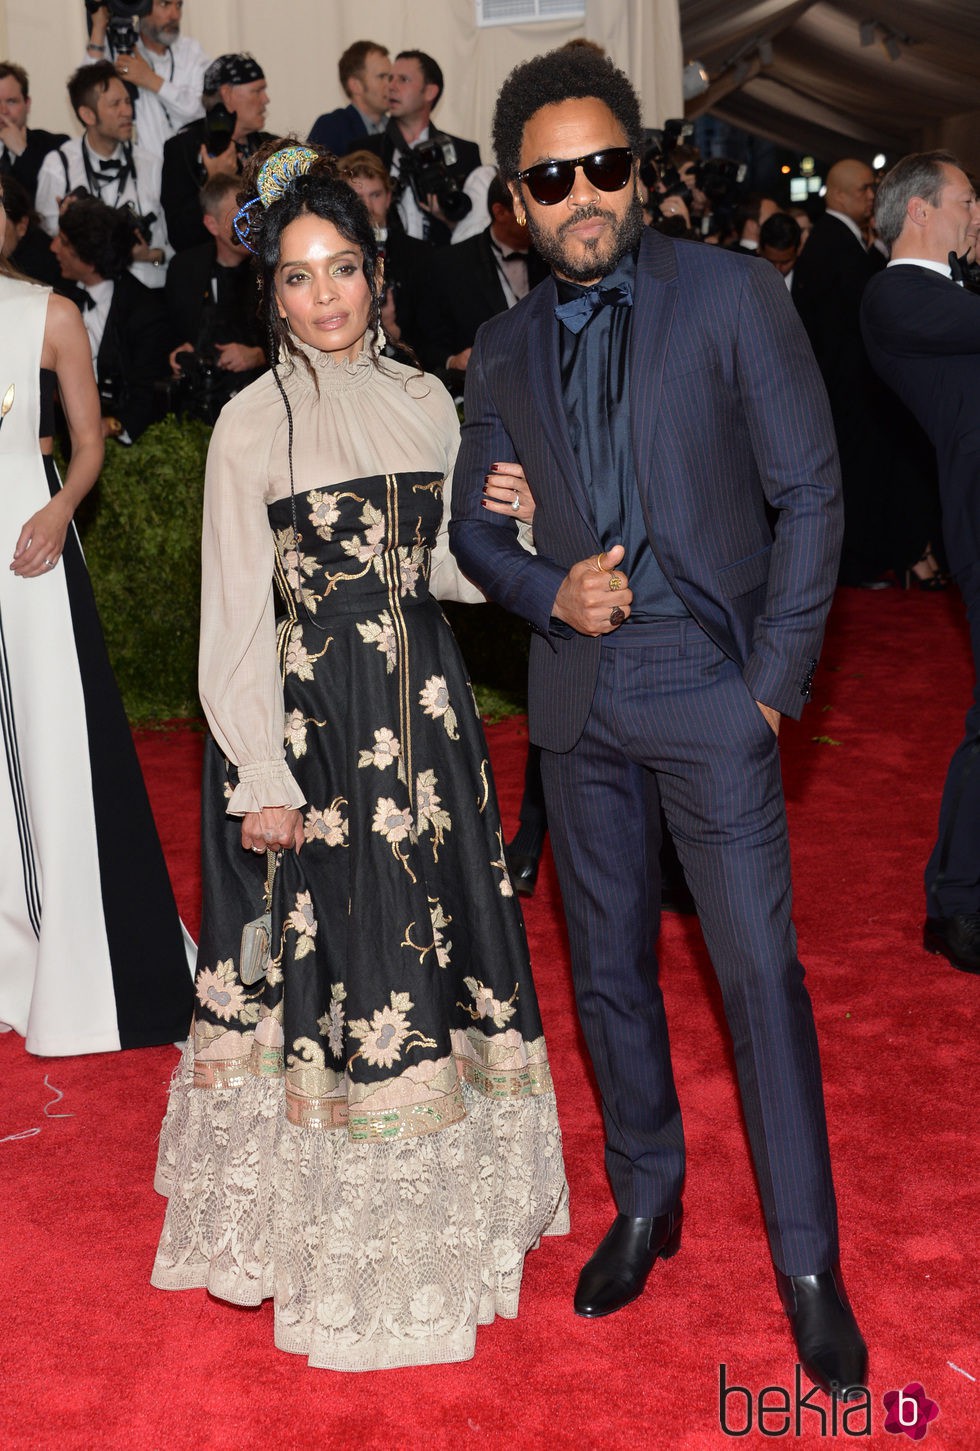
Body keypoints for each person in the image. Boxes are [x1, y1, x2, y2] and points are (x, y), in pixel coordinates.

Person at [450, 46, 868, 1399]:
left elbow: (813, 493)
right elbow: (469, 528)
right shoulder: (503, 347)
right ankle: (647, 1196)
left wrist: (771, 685)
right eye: (553, 177)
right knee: (612, 974)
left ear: (640, 170)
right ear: (517, 199)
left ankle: (809, 1260)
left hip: (713, 686)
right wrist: (540, 583)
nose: (585, 196)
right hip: (580, 694)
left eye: (606, 166)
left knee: (758, 976)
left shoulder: (735, 295)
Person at [150, 142, 567, 1372]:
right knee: (340, 972)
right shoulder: (246, 425)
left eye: (341, 269)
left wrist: (510, 521)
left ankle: (450, 1216)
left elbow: (443, 573)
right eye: (295, 277)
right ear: (267, 293)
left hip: (430, 729)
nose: (322, 295)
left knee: (433, 955)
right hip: (315, 741)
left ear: (376, 275)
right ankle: (326, 1230)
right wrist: (262, 781)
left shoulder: (430, 403)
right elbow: (233, 616)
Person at [0, 178, 194, 1056]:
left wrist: (58, 510)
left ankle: (79, 962)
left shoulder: (51, 315)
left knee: (53, 739)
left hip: (29, 534)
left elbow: (88, 444)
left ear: (13, 221)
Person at [860, 152, 980, 975]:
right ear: (921, 213)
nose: (978, 213)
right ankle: (957, 902)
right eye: (969, 200)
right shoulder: (896, 293)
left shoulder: (952, 293)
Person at [34, 62, 170, 290]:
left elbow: (171, 250)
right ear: (87, 114)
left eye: (127, 101)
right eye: (115, 104)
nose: (127, 111)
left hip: (147, 295)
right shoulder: (59, 166)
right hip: (85, 298)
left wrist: (147, 255)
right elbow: (49, 244)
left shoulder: (151, 164)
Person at [52, 194, 170, 443]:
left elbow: (144, 395)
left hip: (117, 443)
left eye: (63, 242)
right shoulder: (56, 294)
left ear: (89, 260)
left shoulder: (145, 311)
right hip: (55, 429)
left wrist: (108, 428)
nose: (53, 247)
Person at [166, 171, 266, 419]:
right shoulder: (184, 268)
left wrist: (258, 355)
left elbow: (299, 341)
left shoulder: (271, 268)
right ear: (211, 224)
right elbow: (166, 330)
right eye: (239, 218)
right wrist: (174, 353)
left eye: (253, 214)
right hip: (197, 407)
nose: (250, 225)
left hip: (260, 401)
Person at [362, 50, 480, 246]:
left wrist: (450, 221)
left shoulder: (463, 153)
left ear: (430, 92)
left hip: (444, 266)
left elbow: (477, 229)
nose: (391, 86)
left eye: (403, 79)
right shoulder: (365, 149)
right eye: (390, 78)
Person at [161, 53, 274, 252]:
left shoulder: (271, 145)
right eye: (257, 91)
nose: (266, 100)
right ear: (227, 95)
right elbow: (179, 235)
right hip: (213, 271)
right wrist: (214, 181)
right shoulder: (185, 149)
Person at [83, 0, 210, 162]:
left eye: (178, 6)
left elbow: (200, 111)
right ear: (141, 6)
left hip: (185, 171)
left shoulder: (191, 51)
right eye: (165, 4)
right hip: (135, 174)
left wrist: (149, 79)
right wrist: (98, 28)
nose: (174, 15)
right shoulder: (121, 48)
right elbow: (86, 97)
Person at [0, 61, 69, 200]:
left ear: (27, 104)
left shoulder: (56, 146)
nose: (3, 111)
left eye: (11, 101)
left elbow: (48, 203)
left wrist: (23, 152)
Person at [308, 40, 390, 154]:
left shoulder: (398, 127)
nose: (391, 85)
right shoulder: (331, 128)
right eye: (381, 77)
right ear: (355, 85)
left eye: (391, 77)